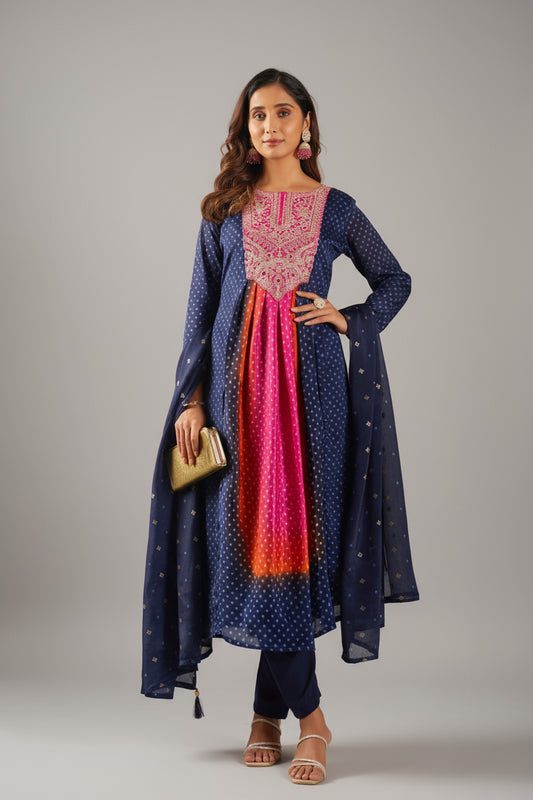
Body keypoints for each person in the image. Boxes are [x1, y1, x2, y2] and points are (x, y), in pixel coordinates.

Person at [141, 67, 420, 786]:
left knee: (292, 544)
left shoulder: (335, 209)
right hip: (235, 403)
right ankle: (294, 715)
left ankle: (291, 718)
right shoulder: (224, 210)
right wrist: (191, 403)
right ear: (247, 128)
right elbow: (199, 316)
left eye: (283, 112)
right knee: (254, 544)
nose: (269, 124)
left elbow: (393, 279)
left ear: (306, 126)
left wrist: (348, 318)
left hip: (315, 399)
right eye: (257, 115)